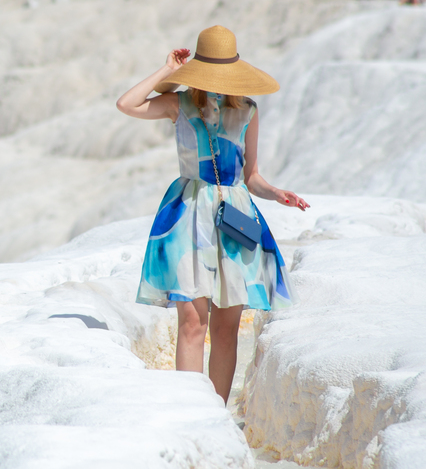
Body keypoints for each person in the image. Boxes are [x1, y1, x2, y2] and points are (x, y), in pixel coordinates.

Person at [115, 26, 306, 404]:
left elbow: (251, 176)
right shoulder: (179, 104)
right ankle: (190, 414)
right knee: (191, 322)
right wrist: (166, 71)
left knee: (225, 328)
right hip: (188, 214)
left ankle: (215, 415)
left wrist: (277, 193)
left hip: (232, 217)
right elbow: (127, 104)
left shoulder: (248, 110)